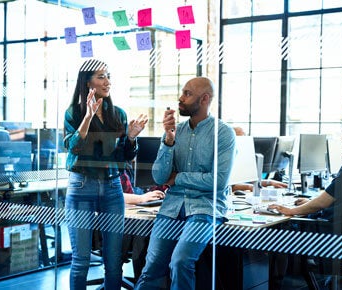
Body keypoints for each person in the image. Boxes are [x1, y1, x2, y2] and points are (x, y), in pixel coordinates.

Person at [134, 77, 236, 290]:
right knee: (151, 266)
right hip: (172, 206)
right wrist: (168, 141)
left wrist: (178, 178)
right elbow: (160, 177)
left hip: (205, 207)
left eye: (188, 94)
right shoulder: (176, 131)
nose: (181, 98)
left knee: (180, 262)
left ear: (205, 99)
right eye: (182, 92)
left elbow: (217, 181)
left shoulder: (223, 133)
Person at [63, 59, 148, 290]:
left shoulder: (117, 114)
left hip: (112, 188)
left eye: (108, 75)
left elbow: (124, 157)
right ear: (87, 81)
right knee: (81, 260)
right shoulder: (74, 113)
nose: (107, 81)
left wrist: (131, 137)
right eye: (101, 76)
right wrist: (88, 117)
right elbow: (74, 148)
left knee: (114, 262)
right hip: (82, 186)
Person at [269, 111, 342, 236]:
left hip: (330, 234)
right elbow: (337, 199)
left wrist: (291, 210)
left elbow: (323, 202)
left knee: (276, 228)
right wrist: (309, 203)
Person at [231, 126, 288, 191]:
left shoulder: (242, 156)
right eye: (240, 137)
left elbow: (247, 180)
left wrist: (270, 182)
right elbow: (228, 185)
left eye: (245, 136)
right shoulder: (225, 158)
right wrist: (250, 187)